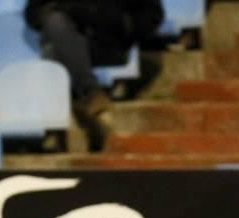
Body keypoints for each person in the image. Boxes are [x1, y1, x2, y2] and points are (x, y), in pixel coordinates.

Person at [24, 0, 163, 151]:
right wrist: (66, 11)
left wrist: (122, 27)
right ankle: (91, 96)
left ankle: (63, 124)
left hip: (107, 45)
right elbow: (34, 13)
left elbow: (152, 15)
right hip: (68, 38)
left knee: (53, 54)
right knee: (55, 25)